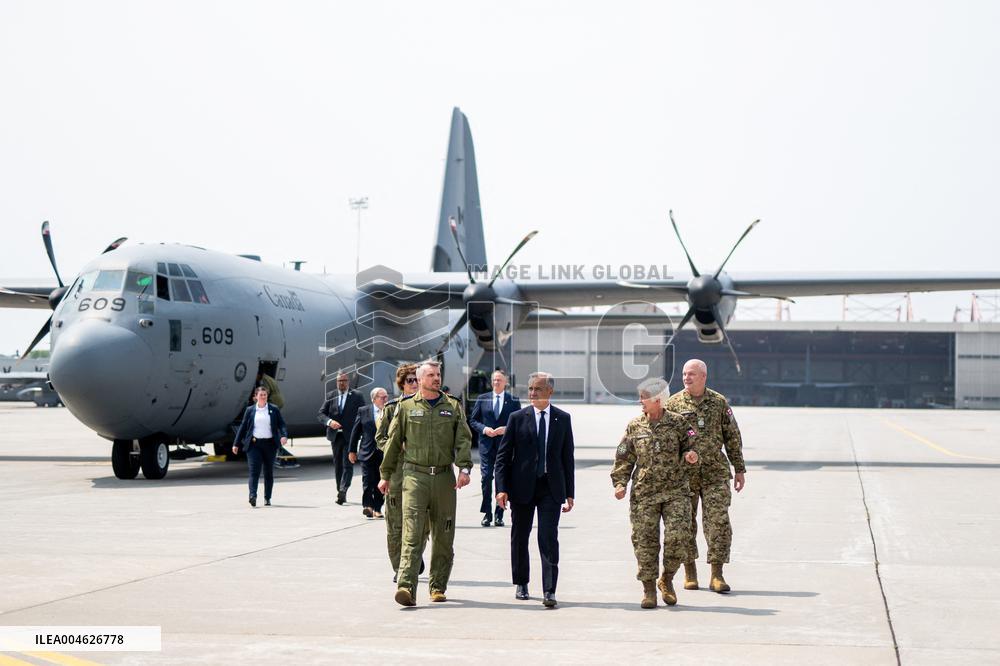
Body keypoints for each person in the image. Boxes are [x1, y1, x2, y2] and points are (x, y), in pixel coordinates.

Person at [379, 360, 473, 607]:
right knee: (412, 533)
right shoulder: (406, 407)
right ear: (419, 380)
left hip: (444, 478)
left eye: (438, 374)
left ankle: (437, 586)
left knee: (444, 535)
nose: (436, 378)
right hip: (414, 478)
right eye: (431, 375)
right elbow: (392, 440)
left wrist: (464, 468)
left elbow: (463, 439)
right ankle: (406, 587)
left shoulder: (452, 406)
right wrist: (385, 475)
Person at [612, 378, 700, 607]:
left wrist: (691, 455)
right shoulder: (634, 426)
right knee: (645, 542)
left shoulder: (680, 423)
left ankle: (667, 578)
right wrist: (620, 483)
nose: (640, 401)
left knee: (679, 536)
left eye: (644, 397)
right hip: (644, 494)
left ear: (658, 400)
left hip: (676, 491)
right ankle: (649, 589)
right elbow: (623, 456)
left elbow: (693, 445)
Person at [665, 359, 746, 593]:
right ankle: (690, 572)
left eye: (691, 374)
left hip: (715, 473)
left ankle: (717, 574)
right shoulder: (673, 403)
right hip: (684, 476)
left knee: (718, 522)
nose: (686, 378)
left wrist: (739, 468)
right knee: (684, 525)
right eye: (683, 374)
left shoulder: (719, 402)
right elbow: (667, 439)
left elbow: (732, 436)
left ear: (703, 376)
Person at [495, 371, 575, 608]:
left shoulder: (563, 418)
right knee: (520, 536)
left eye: (537, 389)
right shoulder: (517, 418)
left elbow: (566, 458)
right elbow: (503, 457)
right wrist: (501, 488)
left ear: (550, 391)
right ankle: (521, 582)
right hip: (522, 487)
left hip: (551, 487)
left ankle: (549, 590)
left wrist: (570, 492)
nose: (532, 393)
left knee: (548, 538)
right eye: (530, 389)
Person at [374, 363, 427, 582]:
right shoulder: (391, 408)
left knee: (421, 523)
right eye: (410, 380)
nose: (414, 384)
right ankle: (400, 567)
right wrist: (396, 446)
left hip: (421, 474)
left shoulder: (428, 408)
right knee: (395, 524)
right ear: (402, 384)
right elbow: (380, 439)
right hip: (397, 474)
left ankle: (413, 557)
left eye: (417, 380)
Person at [469, 369, 521, 527]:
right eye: (494, 380)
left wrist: (507, 429)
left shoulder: (513, 400)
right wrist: (485, 429)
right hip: (486, 446)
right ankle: (487, 513)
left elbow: (519, 422)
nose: (496, 382)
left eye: (499, 380)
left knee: (502, 480)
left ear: (505, 382)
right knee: (486, 478)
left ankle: (499, 514)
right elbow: (473, 420)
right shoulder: (482, 399)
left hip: (504, 446)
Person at [232, 385, 288, 507]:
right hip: (254, 445)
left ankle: (267, 497)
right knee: (254, 472)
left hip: (270, 445)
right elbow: (243, 427)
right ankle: (253, 495)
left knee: (268, 473)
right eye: (261, 395)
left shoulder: (274, 409)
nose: (263, 397)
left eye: (265, 395)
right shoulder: (250, 410)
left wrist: (283, 435)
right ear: (255, 397)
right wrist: (236, 443)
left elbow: (281, 424)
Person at [318, 371, 364, 505]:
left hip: (350, 436)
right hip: (335, 436)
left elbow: (363, 413)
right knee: (338, 465)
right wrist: (329, 422)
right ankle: (340, 491)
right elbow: (321, 414)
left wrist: (362, 431)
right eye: (339, 381)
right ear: (336, 382)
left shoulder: (357, 396)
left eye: (344, 381)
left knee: (347, 464)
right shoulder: (330, 396)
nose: (341, 383)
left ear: (348, 382)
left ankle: (343, 490)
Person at [350, 387, 388, 519]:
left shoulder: (390, 411)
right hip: (367, 451)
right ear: (374, 399)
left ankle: (377, 508)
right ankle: (368, 506)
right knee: (367, 480)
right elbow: (355, 432)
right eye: (382, 397)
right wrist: (352, 450)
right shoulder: (363, 411)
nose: (385, 399)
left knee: (380, 480)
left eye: (386, 397)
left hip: (383, 453)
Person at [255, 369, 298, 469]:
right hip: (278, 400)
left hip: (274, 401)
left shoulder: (264, 381)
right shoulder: (268, 378)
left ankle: (276, 444)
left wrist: (257, 398)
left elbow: (267, 391)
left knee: (272, 423)